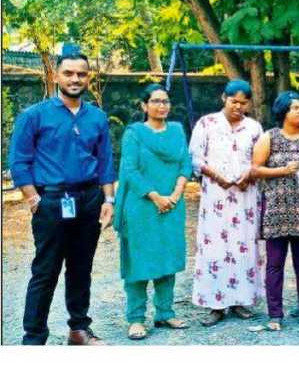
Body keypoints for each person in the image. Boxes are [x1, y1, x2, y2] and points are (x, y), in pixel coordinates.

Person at [10, 49, 116, 345]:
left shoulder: (96, 116)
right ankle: (34, 338)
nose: (75, 78)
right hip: (51, 201)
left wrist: (108, 201)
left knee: (81, 267)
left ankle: (79, 329)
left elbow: (105, 161)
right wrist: (33, 200)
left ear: (88, 77)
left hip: (89, 200)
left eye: (81, 74)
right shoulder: (34, 116)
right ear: (56, 75)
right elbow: (19, 162)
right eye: (68, 73)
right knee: (45, 270)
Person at [113, 84, 192, 340]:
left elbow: (185, 164)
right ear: (144, 106)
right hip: (142, 206)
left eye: (166, 101)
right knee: (139, 262)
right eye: (156, 101)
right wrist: (156, 196)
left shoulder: (178, 131)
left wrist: (176, 194)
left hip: (172, 204)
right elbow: (130, 170)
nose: (162, 106)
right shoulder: (134, 134)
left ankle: (164, 313)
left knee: (167, 258)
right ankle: (135, 318)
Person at [188, 79, 265, 328]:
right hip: (216, 196)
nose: (238, 107)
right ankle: (215, 304)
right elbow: (196, 158)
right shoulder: (207, 123)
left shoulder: (254, 128)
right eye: (234, 101)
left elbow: (260, 159)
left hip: (245, 195)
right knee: (215, 247)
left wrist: (250, 175)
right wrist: (218, 177)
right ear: (224, 98)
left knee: (243, 245)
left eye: (243, 103)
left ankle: (240, 300)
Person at [251, 92, 299, 332]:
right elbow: (255, 170)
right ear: (283, 111)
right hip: (277, 212)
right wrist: (283, 170)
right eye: (295, 107)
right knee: (275, 264)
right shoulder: (269, 137)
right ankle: (275, 315)